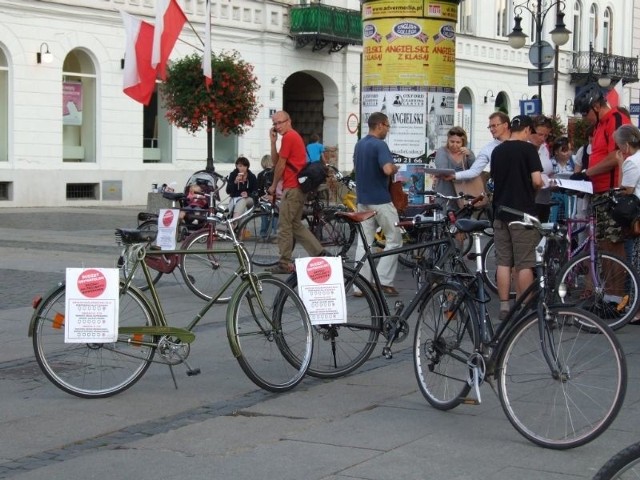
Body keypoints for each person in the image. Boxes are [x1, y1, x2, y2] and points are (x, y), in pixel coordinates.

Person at [490, 115, 544, 320]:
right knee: (524, 263)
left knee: (504, 261)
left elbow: (495, 180)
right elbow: (537, 180)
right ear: (528, 130)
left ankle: (504, 306)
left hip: (501, 212)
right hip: (523, 213)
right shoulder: (529, 149)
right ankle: (525, 306)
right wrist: (534, 191)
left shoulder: (498, 150)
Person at [571, 82, 631, 260]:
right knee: (602, 246)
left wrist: (587, 173)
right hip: (598, 192)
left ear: (596, 106)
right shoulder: (599, 125)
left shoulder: (616, 119)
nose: (584, 118)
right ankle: (607, 287)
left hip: (612, 192)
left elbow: (616, 156)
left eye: (585, 113)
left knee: (613, 246)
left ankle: (617, 288)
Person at [266, 111, 328, 273]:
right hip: (296, 188)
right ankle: (320, 253)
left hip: (292, 187)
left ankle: (285, 263)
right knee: (294, 224)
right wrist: (273, 143)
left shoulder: (290, 137)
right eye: (275, 124)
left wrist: (273, 185)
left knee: (284, 225)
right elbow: (276, 162)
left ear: (289, 121)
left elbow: (280, 166)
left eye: (280, 122)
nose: (277, 126)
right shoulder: (289, 137)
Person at [352, 111, 402, 297]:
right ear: (380, 125)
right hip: (380, 200)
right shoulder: (380, 145)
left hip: (362, 200)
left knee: (364, 243)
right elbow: (387, 169)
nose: (388, 130)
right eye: (387, 126)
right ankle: (383, 280)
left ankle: (360, 286)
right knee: (394, 239)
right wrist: (395, 167)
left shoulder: (359, 144)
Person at [614, 125, 640, 285]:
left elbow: (625, 190)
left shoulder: (631, 161)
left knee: (636, 260)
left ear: (626, 145)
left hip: (637, 213)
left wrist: (620, 164)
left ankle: (636, 307)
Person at [433, 126, 476, 212]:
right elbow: (442, 169)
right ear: (448, 140)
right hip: (445, 195)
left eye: (458, 142)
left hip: (463, 196)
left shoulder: (467, 154)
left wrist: (470, 156)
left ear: (463, 143)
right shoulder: (442, 151)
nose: (454, 145)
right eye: (452, 141)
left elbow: (475, 171)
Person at [529, 115, 554, 222]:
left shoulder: (544, 147)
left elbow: (548, 170)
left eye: (546, 135)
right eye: (539, 134)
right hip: (530, 199)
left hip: (544, 199)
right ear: (530, 131)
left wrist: (553, 180)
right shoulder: (525, 147)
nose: (542, 139)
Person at [549, 136, 576, 223]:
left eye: (569, 150)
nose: (568, 153)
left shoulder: (574, 161)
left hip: (570, 192)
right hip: (555, 191)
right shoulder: (550, 163)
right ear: (556, 152)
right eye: (564, 150)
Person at [226, 156, 257, 221]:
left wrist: (248, 194)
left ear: (247, 167)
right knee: (241, 206)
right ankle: (239, 227)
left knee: (243, 200)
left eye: (244, 166)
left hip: (249, 199)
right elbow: (228, 191)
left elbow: (256, 191)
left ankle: (234, 221)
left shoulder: (251, 176)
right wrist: (235, 182)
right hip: (236, 199)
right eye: (240, 166)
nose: (242, 168)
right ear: (237, 166)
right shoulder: (233, 175)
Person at [256, 154, 279, 240]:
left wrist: (263, 197)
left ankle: (263, 233)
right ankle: (274, 232)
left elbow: (258, 190)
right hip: (275, 198)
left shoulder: (260, 174)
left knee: (264, 212)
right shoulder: (276, 173)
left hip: (264, 199)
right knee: (276, 212)